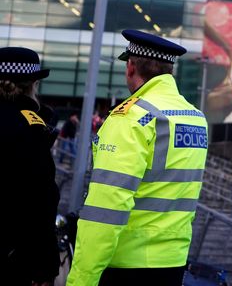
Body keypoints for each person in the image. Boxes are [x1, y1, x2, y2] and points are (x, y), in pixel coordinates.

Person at [67, 30, 209, 286]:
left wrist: (80, 279)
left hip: (126, 265)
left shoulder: (131, 117)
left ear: (131, 67)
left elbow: (107, 207)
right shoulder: (195, 117)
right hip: (172, 262)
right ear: (169, 71)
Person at [0, 47, 60, 285]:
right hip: (13, 256)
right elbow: (41, 199)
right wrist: (46, 265)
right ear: (33, 84)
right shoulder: (30, 126)